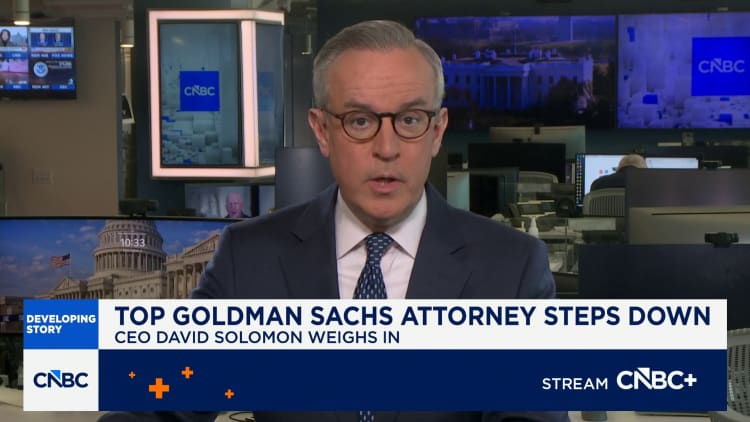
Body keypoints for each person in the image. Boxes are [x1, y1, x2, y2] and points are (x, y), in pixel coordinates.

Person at [100, 20, 567, 422]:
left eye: (410, 120)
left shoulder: (511, 268)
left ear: (437, 131)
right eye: (360, 121)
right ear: (322, 131)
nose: (387, 148)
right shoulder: (250, 258)